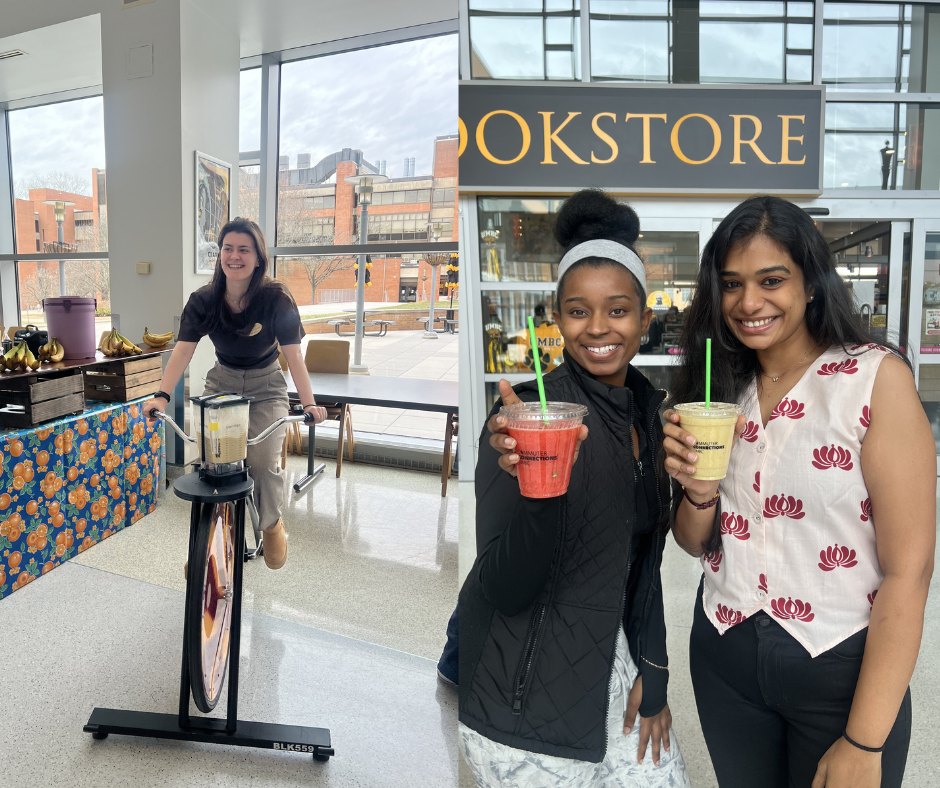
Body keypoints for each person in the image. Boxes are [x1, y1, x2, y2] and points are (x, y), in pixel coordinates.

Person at [663, 195, 935, 788]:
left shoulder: (873, 379)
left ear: (811, 282)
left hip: (839, 663)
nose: (748, 302)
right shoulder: (718, 388)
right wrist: (699, 492)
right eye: (731, 283)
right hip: (725, 652)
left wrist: (866, 740)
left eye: (772, 280)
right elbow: (692, 543)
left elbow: (909, 572)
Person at [459, 189, 691, 787]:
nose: (597, 329)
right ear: (556, 317)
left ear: (644, 317)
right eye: (577, 311)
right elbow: (505, 588)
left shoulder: (646, 414)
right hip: (525, 690)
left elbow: (645, 562)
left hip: (612, 658)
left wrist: (656, 670)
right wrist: (538, 492)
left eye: (617, 310)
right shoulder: (525, 420)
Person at [144, 217, 327, 570]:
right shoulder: (204, 299)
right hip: (222, 384)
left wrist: (309, 404)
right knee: (213, 464)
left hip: (267, 386)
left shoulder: (277, 298)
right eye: (228, 248)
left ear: (258, 258)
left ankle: (271, 524)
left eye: (244, 249)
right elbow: (182, 351)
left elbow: (293, 355)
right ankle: (207, 544)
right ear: (220, 255)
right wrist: (162, 396)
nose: (235, 256)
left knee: (260, 462)